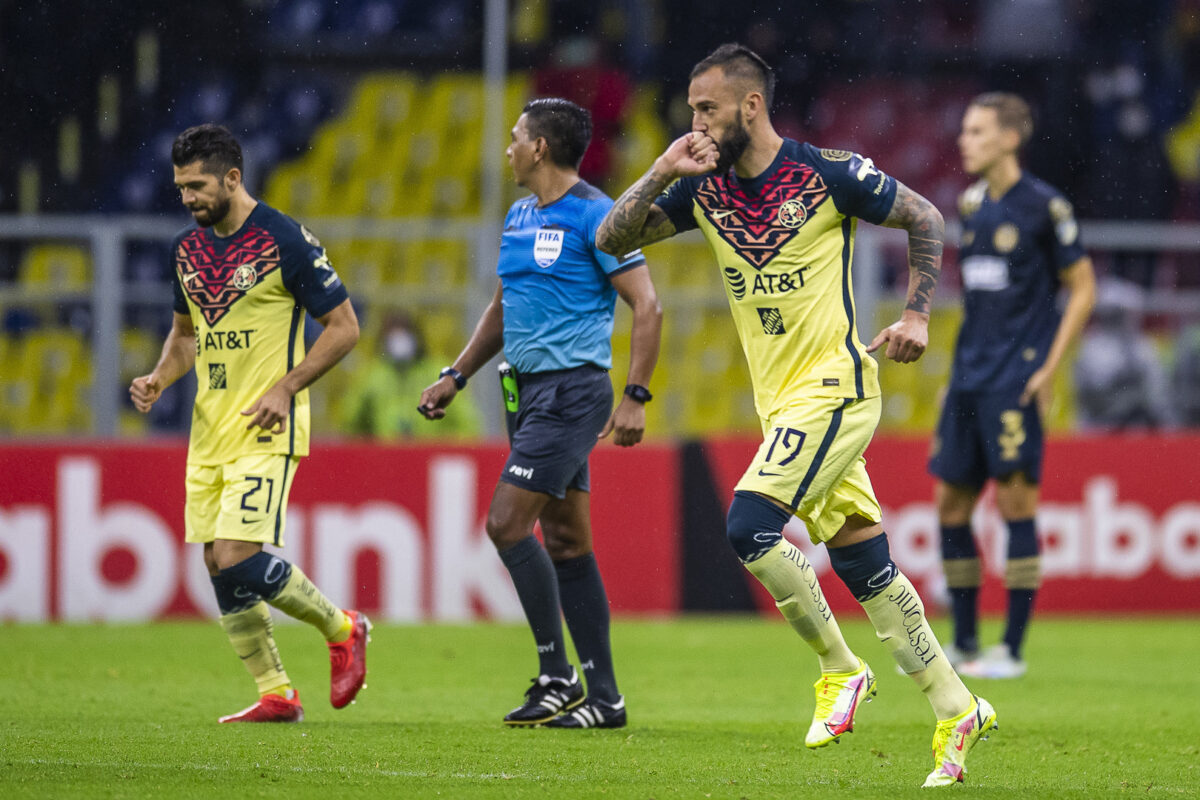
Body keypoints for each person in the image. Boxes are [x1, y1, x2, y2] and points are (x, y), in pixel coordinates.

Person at [596, 43, 993, 787]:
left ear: (751, 106)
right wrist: (660, 170)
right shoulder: (701, 189)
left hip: (837, 386)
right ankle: (955, 705)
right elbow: (609, 241)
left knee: (747, 525)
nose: (697, 123)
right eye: (691, 110)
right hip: (782, 402)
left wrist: (916, 314)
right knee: (862, 561)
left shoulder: (828, 174)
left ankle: (840, 670)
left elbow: (925, 217)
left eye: (707, 109)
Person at [419, 97, 661, 730]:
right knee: (567, 541)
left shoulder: (598, 216)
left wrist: (636, 395)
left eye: (516, 137)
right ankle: (605, 699)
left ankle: (557, 674)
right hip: (522, 395)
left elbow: (648, 305)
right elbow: (505, 304)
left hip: (573, 391)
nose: (509, 147)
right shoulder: (520, 214)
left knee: (506, 525)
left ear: (541, 148)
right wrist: (456, 373)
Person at [129, 124, 370, 723]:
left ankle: (344, 627)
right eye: (181, 187)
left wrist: (287, 388)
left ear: (233, 178)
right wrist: (160, 375)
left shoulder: (285, 240)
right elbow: (188, 337)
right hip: (209, 430)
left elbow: (345, 328)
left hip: (266, 426)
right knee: (216, 561)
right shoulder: (187, 250)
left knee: (237, 554)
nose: (188, 199)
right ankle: (277, 692)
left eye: (198, 186)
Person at [931, 93, 1096, 681]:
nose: (963, 141)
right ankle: (966, 643)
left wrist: (1050, 368)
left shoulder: (1045, 207)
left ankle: (1013, 649)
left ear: (1009, 138)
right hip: (968, 377)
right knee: (951, 504)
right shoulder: (972, 204)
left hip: (1016, 378)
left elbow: (1083, 287)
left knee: (1015, 501)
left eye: (976, 132)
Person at [339, 309, 482, 440]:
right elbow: (349, 422)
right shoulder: (372, 375)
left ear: (416, 336)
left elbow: (467, 424)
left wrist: (444, 445)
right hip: (386, 456)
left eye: (404, 332)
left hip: (428, 453)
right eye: (393, 334)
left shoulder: (439, 373)